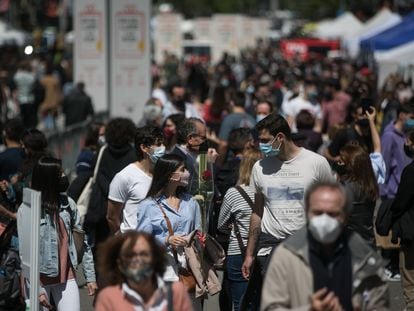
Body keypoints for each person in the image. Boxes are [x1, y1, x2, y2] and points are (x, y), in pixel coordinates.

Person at [261, 181, 389, 310]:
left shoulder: (366, 259)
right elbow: (270, 307)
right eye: (317, 213)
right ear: (306, 212)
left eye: (332, 214)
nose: (324, 220)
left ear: (346, 216)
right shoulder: (286, 254)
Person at [242, 113, 333, 279]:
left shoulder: (316, 163)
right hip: (269, 249)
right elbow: (257, 212)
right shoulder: (259, 167)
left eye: (264, 140)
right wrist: (249, 254)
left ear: (280, 137)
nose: (260, 145)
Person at [29, 157, 97, 311]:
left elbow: (82, 241)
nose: (64, 176)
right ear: (48, 179)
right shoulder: (30, 208)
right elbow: (25, 254)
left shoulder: (68, 204)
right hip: (38, 281)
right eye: (59, 173)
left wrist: (90, 277)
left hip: (67, 276)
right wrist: (36, 288)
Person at [136, 154, 201, 308]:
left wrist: (195, 239)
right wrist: (166, 240)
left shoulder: (191, 202)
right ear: (171, 175)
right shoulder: (149, 205)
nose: (187, 173)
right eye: (183, 169)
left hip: (188, 268)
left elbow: (199, 231)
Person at [95, 231, 192, 311]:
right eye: (130, 255)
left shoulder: (176, 293)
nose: (137, 260)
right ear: (119, 263)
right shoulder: (108, 298)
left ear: (154, 258)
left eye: (143, 254)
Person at [217, 148, 262, 311]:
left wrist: (234, 227)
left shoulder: (234, 193)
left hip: (238, 252)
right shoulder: (267, 192)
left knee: (239, 301)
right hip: (263, 251)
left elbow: (221, 224)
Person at [84, 118, 137, 249]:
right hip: (125, 208)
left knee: (102, 246)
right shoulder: (134, 154)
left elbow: (96, 174)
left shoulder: (102, 152)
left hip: (102, 207)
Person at [107, 126, 164, 234]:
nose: (163, 148)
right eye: (158, 144)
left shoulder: (162, 174)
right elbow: (112, 217)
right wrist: (124, 240)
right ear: (144, 148)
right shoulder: (125, 176)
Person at [334, 143, 379, 245]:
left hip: (350, 244)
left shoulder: (345, 188)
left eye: (341, 160)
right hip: (368, 240)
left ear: (351, 164)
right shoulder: (369, 184)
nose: (337, 161)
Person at [390, 129, 414, 310]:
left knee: (409, 276)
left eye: (409, 142)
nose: (407, 145)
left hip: (411, 233)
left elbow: (400, 203)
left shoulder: (410, 171)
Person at [171, 118, 218, 195]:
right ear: (190, 139)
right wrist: (208, 164)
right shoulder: (178, 159)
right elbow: (200, 187)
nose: (205, 141)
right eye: (203, 137)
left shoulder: (194, 154)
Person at [217, 91, 255, 167]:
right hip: (250, 162)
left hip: (233, 163)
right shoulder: (252, 120)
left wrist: (218, 164)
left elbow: (223, 144)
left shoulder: (229, 119)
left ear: (232, 103)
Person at [13, 60, 37, 129]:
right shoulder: (31, 76)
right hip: (30, 99)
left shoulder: (17, 76)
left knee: (22, 120)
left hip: (20, 100)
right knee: (30, 120)